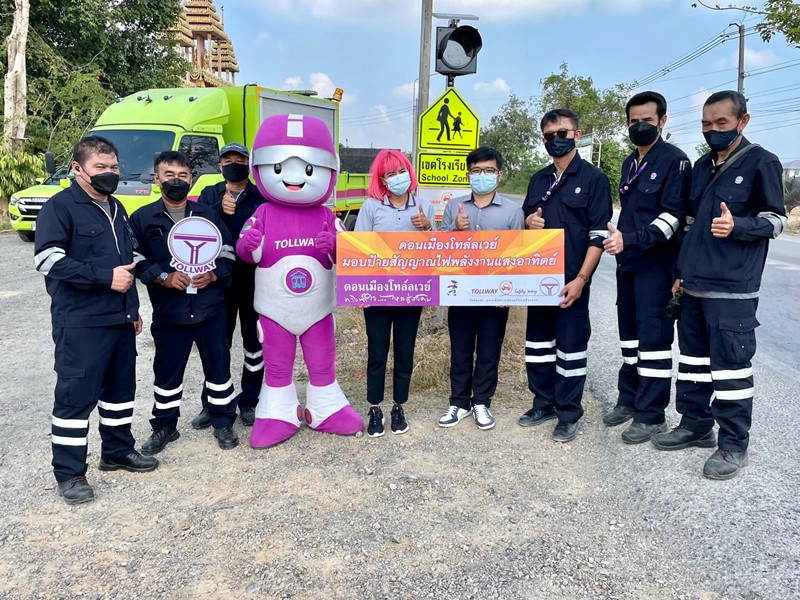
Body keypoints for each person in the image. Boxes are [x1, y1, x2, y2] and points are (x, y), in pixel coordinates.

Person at [652, 90, 787, 480]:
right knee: (693, 364)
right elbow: (691, 225)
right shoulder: (700, 166)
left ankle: (733, 444)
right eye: (707, 124)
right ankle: (695, 425)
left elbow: (776, 220)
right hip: (693, 286)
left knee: (730, 369)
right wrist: (680, 272)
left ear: (742, 122)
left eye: (721, 124)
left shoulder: (763, 162)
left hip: (732, 290)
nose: (713, 130)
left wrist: (739, 226)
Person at [34, 136, 158, 505]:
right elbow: (47, 260)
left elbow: (130, 260)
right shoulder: (60, 207)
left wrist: (133, 309)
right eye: (100, 168)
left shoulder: (117, 207)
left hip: (119, 320)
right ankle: (70, 473)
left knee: (120, 394)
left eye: (114, 167)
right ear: (78, 169)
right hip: (81, 322)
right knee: (75, 399)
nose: (109, 174)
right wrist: (103, 277)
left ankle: (117, 451)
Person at [130, 151, 239, 454]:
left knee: (219, 371)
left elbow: (229, 250)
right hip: (170, 311)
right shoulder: (141, 218)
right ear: (157, 179)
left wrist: (215, 275)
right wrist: (162, 276)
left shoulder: (207, 214)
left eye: (183, 176)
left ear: (191, 179)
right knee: (167, 374)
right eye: (169, 175)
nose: (176, 181)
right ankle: (165, 426)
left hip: (211, 309)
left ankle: (223, 422)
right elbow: (134, 258)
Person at [602, 91, 692, 444]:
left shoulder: (675, 161)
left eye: (647, 121)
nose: (640, 126)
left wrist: (632, 240)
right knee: (630, 337)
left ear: (662, 121)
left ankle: (651, 414)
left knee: (654, 340)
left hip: (657, 264)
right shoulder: (629, 163)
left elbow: (672, 218)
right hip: (629, 264)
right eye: (634, 121)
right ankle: (630, 398)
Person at [520, 109, 613, 443]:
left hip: (571, 281)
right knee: (538, 347)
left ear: (577, 134)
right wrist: (529, 224)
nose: (555, 140)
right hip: (537, 282)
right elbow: (524, 228)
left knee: (570, 350)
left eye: (562, 133)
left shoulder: (594, 180)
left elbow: (598, 236)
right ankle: (543, 403)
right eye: (548, 136)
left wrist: (581, 279)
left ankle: (569, 412)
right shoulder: (537, 180)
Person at [438, 146, 524, 431]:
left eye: (488, 171)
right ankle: (459, 402)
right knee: (460, 349)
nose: (482, 176)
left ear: (499, 175)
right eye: (476, 171)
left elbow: (517, 255)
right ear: (468, 175)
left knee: (489, 349)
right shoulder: (454, 207)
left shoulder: (513, 211)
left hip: (496, 294)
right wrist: (456, 230)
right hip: (460, 290)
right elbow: (439, 250)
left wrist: (508, 293)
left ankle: (482, 402)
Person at [355, 149, 434, 437]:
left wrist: (427, 227)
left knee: (405, 351)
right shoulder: (371, 207)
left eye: (400, 171)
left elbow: (434, 251)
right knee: (377, 352)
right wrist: (361, 291)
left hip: (412, 293)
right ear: (382, 180)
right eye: (390, 174)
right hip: (377, 293)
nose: (397, 178)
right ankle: (374, 407)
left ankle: (399, 405)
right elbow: (359, 251)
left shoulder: (423, 206)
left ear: (409, 173)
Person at [194, 142, 267, 429]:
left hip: (254, 281)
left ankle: (250, 401)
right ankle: (211, 404)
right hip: (217, 282)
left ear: (249, 164)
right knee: (217, 345)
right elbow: (196, 225)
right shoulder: (211, 193)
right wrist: (218, 209)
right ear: (220, 164)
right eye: (228, 159)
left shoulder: (261, 195)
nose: (234, 163)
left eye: (240, 159)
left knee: (254, 345)